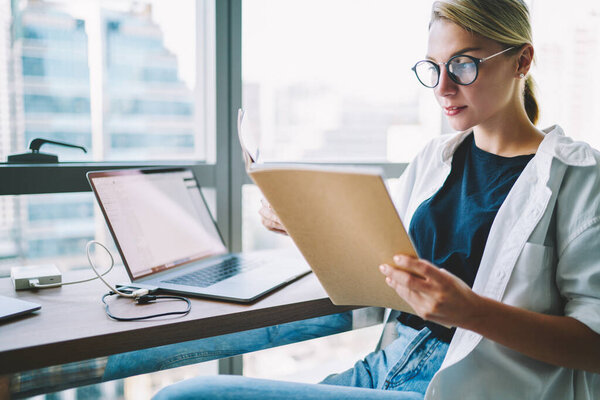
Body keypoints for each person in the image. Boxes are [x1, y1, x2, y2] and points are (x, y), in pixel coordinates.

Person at [152, 0, 600, 399]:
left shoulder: (579, 178)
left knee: (189, 396)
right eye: (433, 68)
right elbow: (385, 264)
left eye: (464, 65)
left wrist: (472, 312)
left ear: (522, 60)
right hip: (388, 364)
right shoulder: (432, 160)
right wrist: (310, 225)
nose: (443, 88)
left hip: (474, 385)